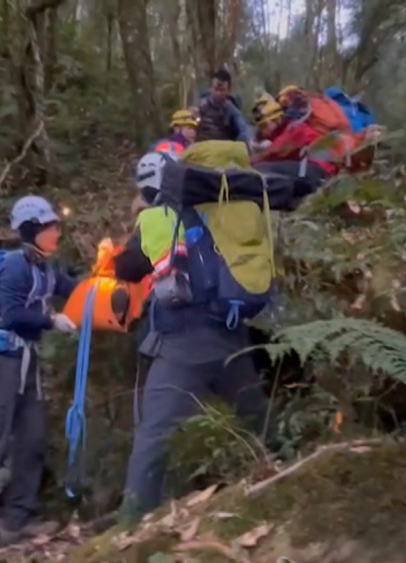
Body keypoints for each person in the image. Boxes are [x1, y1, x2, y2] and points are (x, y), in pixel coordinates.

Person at [111, 151, 269, 522]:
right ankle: (286, 478)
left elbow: (129, 268)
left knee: (154, 436)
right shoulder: (220, 212)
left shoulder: (158, 219)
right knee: (257, 416)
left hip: (184, 345)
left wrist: (134, 234)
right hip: (233, 336)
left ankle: (130, 523)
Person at [0, 195, 79, 562]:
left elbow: (74, 288)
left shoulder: (45, 268)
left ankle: (15, 523)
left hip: (26, 362)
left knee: (32, 441)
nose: (56, 232)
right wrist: (52, 321)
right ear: (32, 230)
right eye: (50, 226)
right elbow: (12, 314)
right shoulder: (14, 267)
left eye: (56, 225)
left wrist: (109, 271)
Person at [250, 98, 337, 187]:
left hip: (318, 170)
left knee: (261, 169)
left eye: (263, 126)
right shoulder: (287, 130)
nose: (261, 131)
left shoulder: (293, 129)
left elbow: (273, 153)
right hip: (314, 170)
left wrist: (248, 164)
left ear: (276, 120)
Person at [196, 69, 253, 144]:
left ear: (228, 91)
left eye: (222, 90)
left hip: (222, 150)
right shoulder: (200, 105)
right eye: (216, 89)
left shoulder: (231, 109)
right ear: (211, 88)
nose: (218, 93)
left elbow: (243, 129)